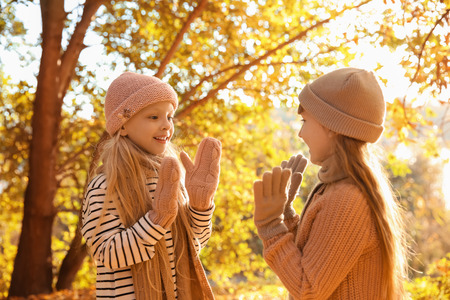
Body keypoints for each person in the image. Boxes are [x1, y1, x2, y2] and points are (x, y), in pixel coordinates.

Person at [253, 68, 408, 299]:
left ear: (332, 126)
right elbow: (317, 261)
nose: (300, 134)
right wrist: (285, 216)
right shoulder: (340, 189)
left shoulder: (346, 198)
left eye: (305, 120)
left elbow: (308, 289)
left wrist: (271, 227)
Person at [81, 72, 221, 300]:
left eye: (169, 116)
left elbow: (193, 245)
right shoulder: (106, 186)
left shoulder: (173, 176)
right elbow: (106, 253)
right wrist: (156, 221)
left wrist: (200, 205)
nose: (166, 125)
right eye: (154, 117)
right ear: (123, 126)